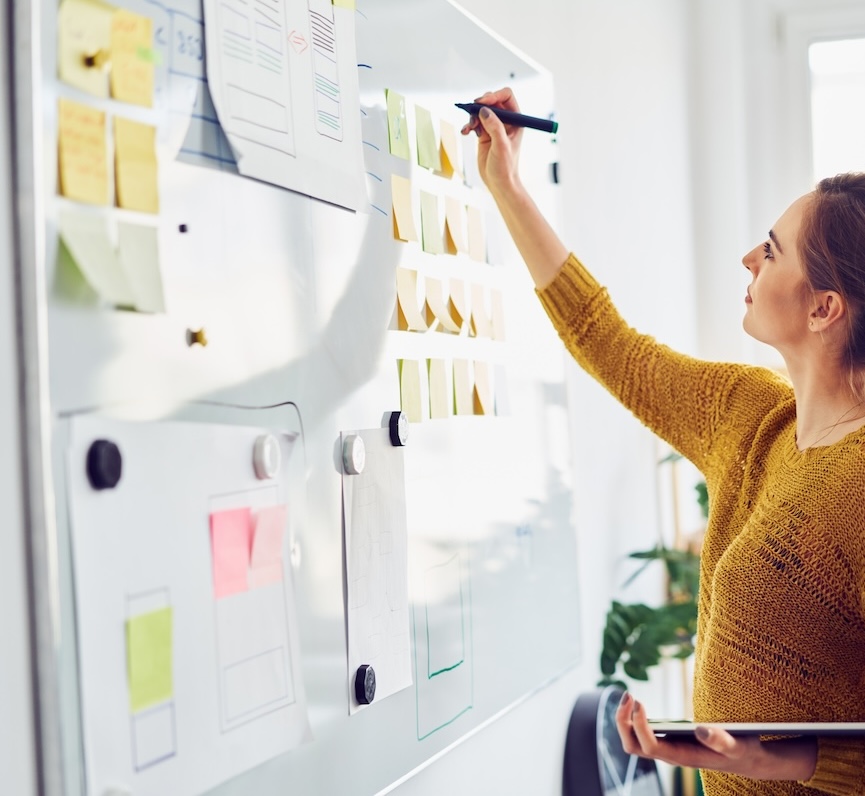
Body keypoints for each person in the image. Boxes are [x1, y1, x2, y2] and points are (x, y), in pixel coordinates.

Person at [461, 87, 865, 795]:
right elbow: (605, 340)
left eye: (769, 252)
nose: (746, 258)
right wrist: (508, 187)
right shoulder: (751, 415)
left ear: (823, 308)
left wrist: (778, 759)